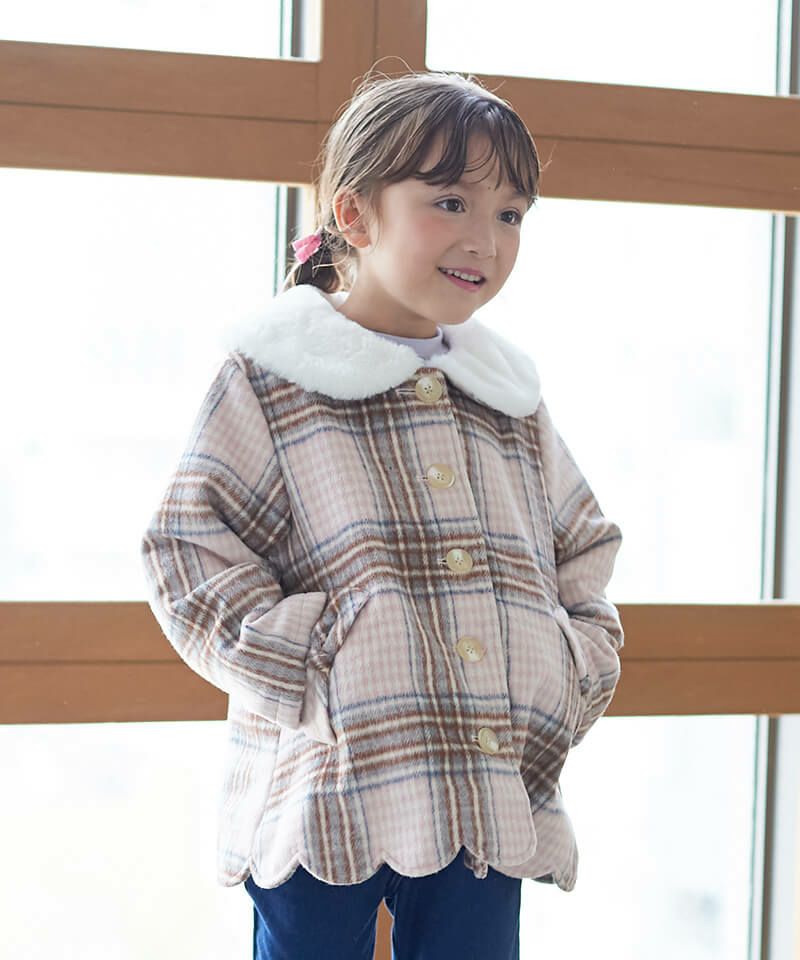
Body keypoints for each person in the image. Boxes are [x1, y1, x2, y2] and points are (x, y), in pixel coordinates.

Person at [140, 68, 625, 960]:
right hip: (326, 789)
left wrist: (565, 666)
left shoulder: (508, 396)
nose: (485, 239)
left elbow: (584, 544)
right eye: (451, 202)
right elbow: (187, 550)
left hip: (483, 792)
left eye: (511, 214)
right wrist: (322, 665)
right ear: (356, 216)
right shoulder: (272, 376)